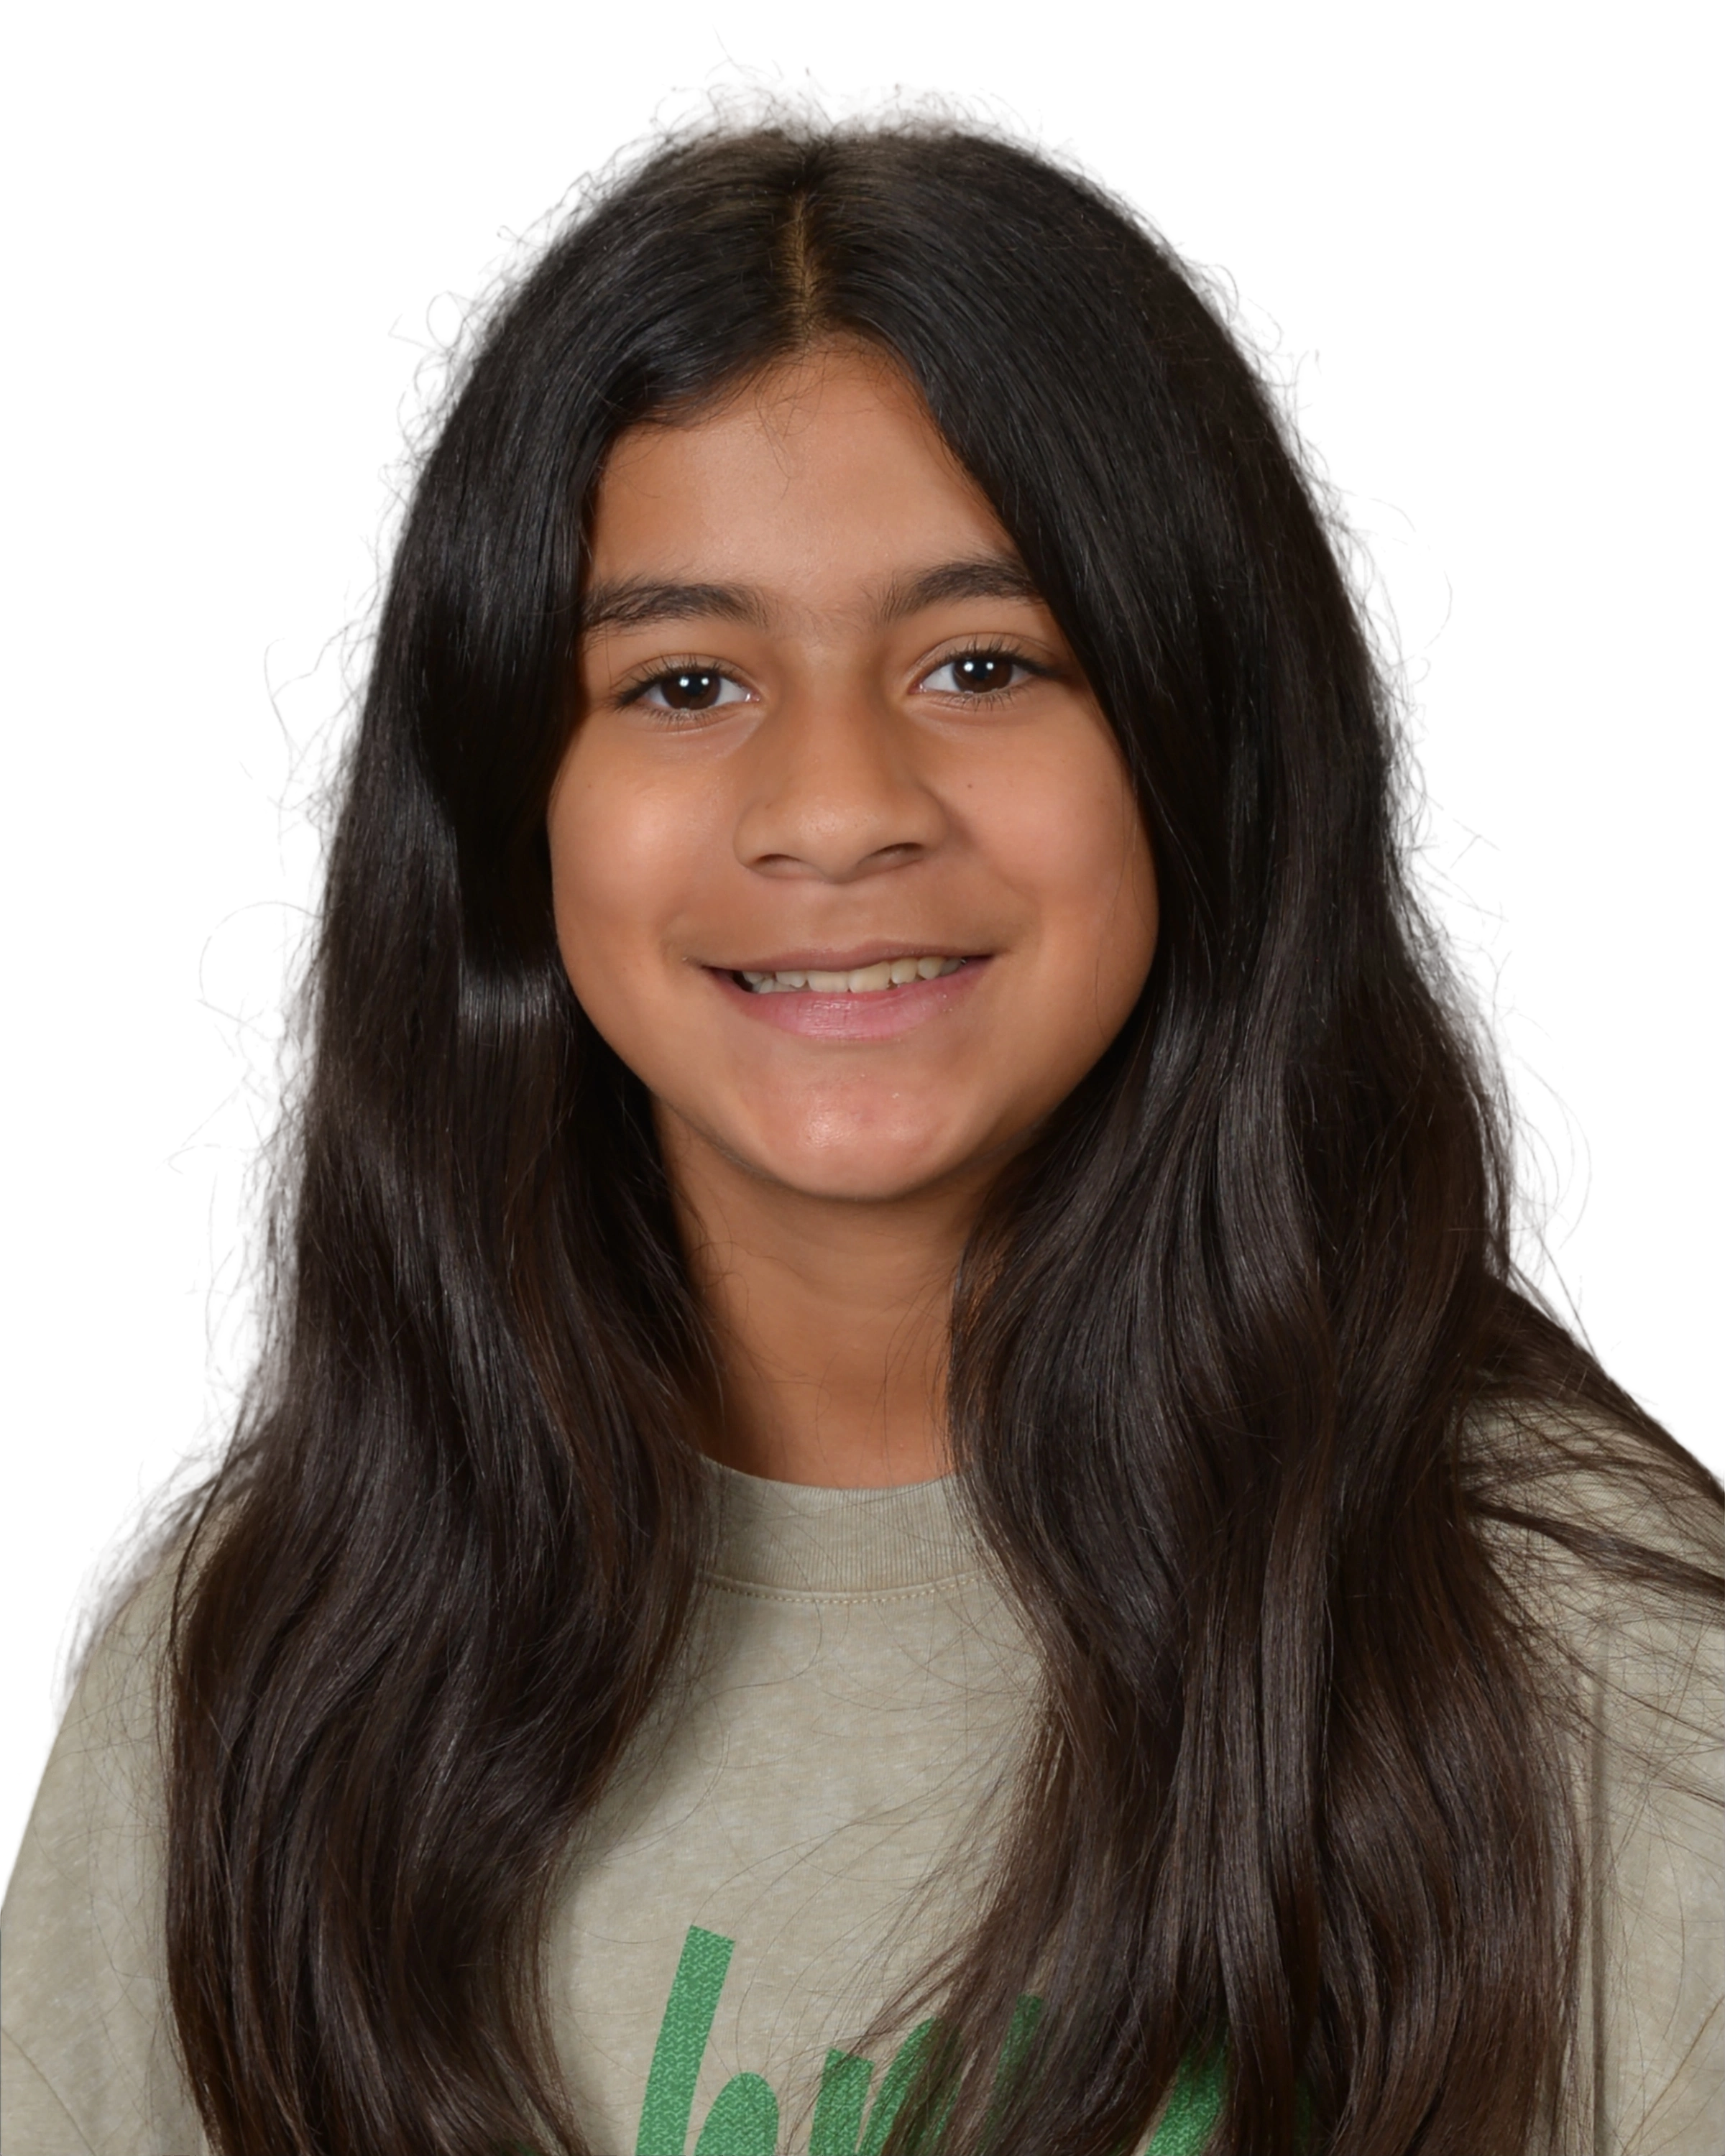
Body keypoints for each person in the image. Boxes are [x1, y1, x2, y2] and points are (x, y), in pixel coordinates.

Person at [3, 55, 1719, 2156]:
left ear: (1202, 745)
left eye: (983, 664)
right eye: (683, 684)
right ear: (509, 809)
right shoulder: (244, 1696)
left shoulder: (1609, 1691)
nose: (835, 809)